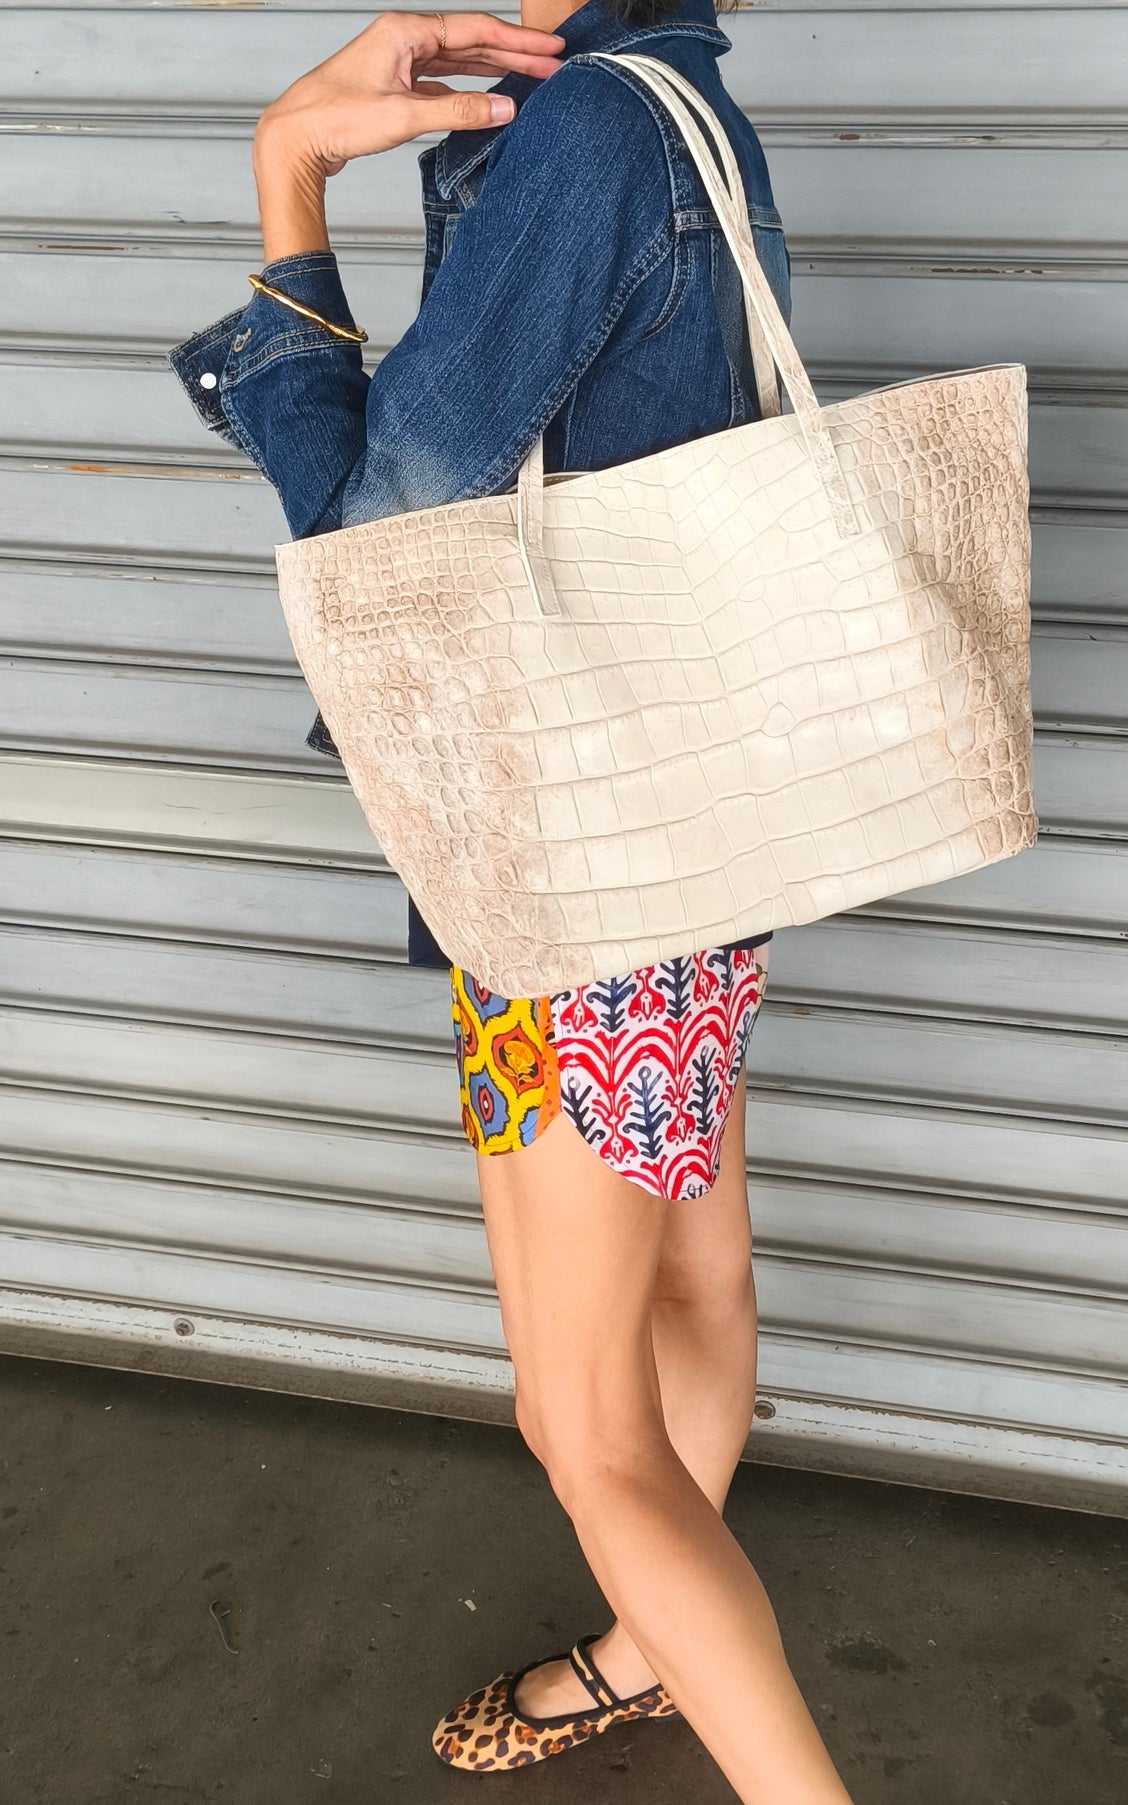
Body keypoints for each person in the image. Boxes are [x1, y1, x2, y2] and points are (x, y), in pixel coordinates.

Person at [170, 4, 856, 1799]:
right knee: (692, 1273)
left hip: (573, 873)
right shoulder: (671, 98)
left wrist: (287, 181)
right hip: (690, 840)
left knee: (583, 1426)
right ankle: (647, 1652)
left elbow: (384, 556)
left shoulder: (581, 143)